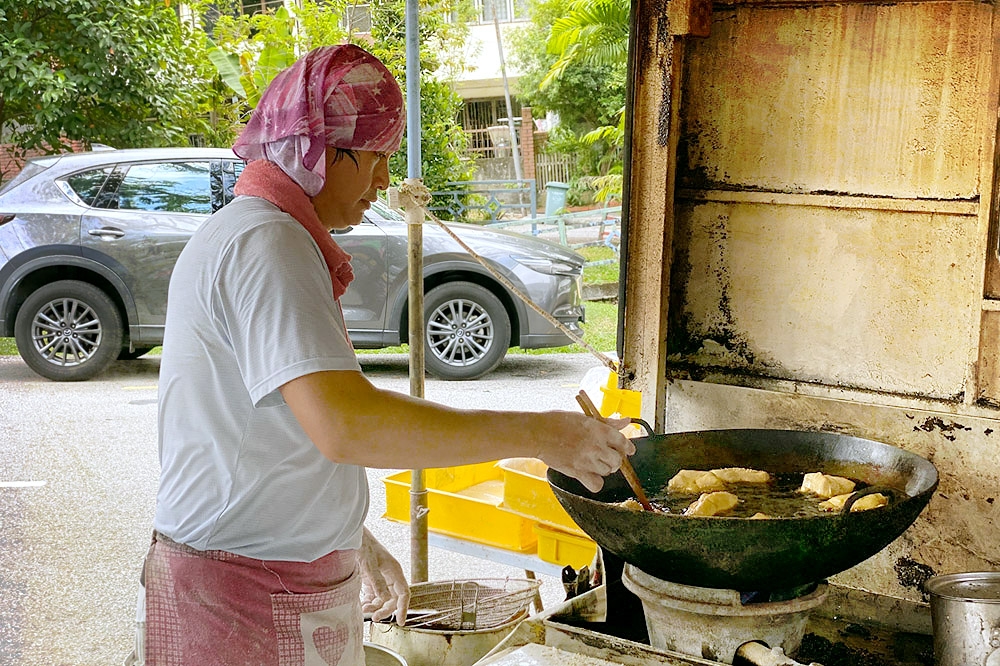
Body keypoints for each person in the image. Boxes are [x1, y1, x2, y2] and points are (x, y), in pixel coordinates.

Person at [143, 43, 633, 666]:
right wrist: (541, 433)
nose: (385, 179)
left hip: (261, 575)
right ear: (316, 150)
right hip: (238, 593)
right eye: (375, 156)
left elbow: (275, 431)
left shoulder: (268, 235)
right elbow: (348, 424)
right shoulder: (267, 243)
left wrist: (353, 539)